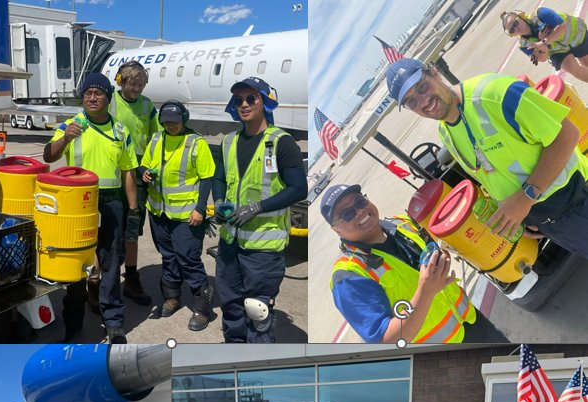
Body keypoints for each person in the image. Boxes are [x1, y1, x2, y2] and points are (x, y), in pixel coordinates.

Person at [386, 57, 588, 261]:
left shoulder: (496, 94)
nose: (423, 102)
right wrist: (518, 217)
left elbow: (567, 134)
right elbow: (493, 175)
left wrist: (525, 199)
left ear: (435, 73)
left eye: (422, 87)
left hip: (578, 199)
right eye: (411, 101)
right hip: (550, 222)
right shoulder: (446, 132)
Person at [322, 184, 507, 344]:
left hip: (472, 320)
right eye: (347, 214)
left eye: (359, 202)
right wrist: (425, 292)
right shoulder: (349, 276)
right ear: (335, 229)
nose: (359, 211)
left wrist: (441, 261)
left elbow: (432, 250)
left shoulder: (402, 223)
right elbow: (386, 340)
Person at [45, 72, 138, 344]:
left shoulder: (120, 130)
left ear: (108, 98)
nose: (93, 97)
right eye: (88, 93)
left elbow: (128, 172)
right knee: (77, 264)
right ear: (82, 98)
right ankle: (74, 323)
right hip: (78, 203)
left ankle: (114, 323)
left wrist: (132, 210)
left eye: (98, 93)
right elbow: (48, 155)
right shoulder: (72, 124)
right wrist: (65, 139)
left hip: (111, 202)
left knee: (111, 262)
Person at [213, 77, 308, 343]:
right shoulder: (228, 141)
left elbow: (299, 188)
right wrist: (219, 203)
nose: (244, 104)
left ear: (265, 101)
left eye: (251, 98)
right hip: (230, 241)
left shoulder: (281, 142)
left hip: (263, 248)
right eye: (238, 100)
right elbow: (219, 178)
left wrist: (257, 208)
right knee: (231, 305)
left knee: (257, 310)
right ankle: (235, 350)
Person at [141, 100, 216, 331]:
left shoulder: (196, 143)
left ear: (184, 119)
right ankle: (172, 297)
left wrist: (200, 208)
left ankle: (203, 308)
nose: (170, 125)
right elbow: (144, 164)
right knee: (168, 256)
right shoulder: (156, 139)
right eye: (166, 121)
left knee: (189, 259)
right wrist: (144, 173)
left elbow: (207, 177)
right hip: (158, 212)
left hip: (186, 215)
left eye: (174, 121)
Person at [106, 61, 160, 308]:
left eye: (141, 84)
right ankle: (102, 281)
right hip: (112, 170)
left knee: (132, 229)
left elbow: (157, 137)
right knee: (108, 228)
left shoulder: (148, 106)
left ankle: (131, 278)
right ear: (122, 81)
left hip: (138, 172)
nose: (137, 88)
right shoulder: (110, 101)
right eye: (133, 83)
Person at [502, 8, 588, 82]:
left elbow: (563, 27)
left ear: (521, 17)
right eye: (512, 30)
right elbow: (542, 58)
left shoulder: (540, 14)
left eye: (515, 23)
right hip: (558, 50)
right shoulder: (523, 44)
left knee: (586, 61)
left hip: (575, 34)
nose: (516, 28)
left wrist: (544, 42)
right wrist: (544, 49)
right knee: (572, 68)